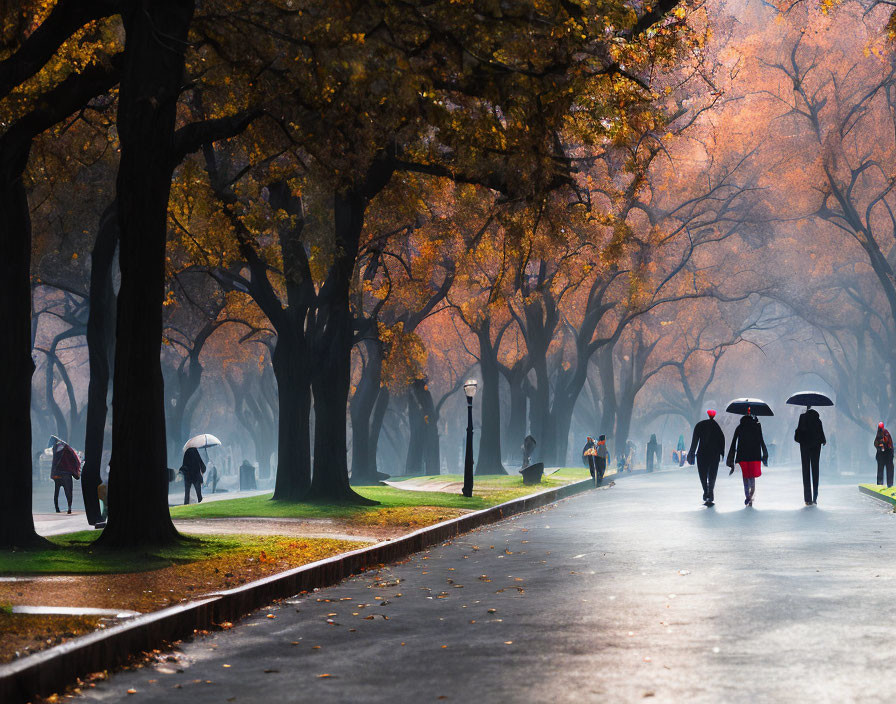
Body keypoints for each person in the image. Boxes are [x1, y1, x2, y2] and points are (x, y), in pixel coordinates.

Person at [726, 413, 769, 507]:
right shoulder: (756, 427)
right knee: (752, 476)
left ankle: (747, 496)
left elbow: (734, 442)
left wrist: (731, 458)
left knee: (745, 476)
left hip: (742, 456)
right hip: (754, 455)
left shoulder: (740, 427)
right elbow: (761, 440)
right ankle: (751, 496)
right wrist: (765, 454)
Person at [687, 410, 726, 507]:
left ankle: (705, 491)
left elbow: (695, 441)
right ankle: (711, 492)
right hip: (714, 454)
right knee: (712, 474)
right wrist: (721, 452)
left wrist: (692, 452)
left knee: (703, 474)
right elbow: (722, 439)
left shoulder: (700, 425)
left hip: (702, 454)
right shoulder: (717, 427)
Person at [794, 407, 826, 505]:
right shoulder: (818, 420)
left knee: (806, 471)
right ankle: (815, 497)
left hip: (804, 447)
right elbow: (822, 435)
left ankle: (808, 499)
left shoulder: (802, 418)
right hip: (816, 447)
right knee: (815, 470)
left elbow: (798, 434)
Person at [49, 436, 81, 514]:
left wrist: (52, 474)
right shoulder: (67, 447)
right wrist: (75, 471)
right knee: (68, 492)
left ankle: (57, 509)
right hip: (67, 473)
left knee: (57, 492)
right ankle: (69, 508)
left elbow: (55, 461)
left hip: (58, 474)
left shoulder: (56, 447)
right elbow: (75, 459)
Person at [874, 422, 894, 488]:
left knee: (889, 469)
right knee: (880, 470)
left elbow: (887, 442)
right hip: (881, 455)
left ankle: (890, 485)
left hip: (888, 454)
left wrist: (882, 444)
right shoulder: (878, 433)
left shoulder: (886, 433)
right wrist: (879, 446)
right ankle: (879, 484)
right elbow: (875, 443)